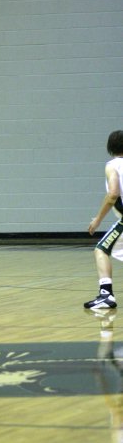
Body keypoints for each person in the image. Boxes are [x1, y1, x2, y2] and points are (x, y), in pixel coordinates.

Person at [85, 130, 123, 310]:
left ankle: (106, 295)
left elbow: (113, 193)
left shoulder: (113, 166)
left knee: (101, 249)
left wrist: (98, 219)